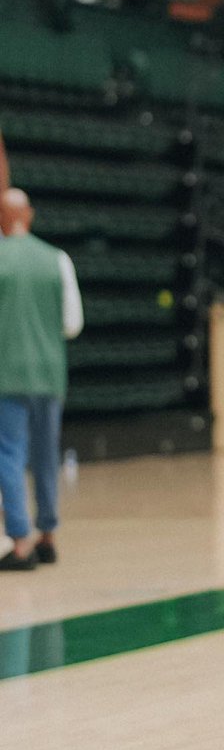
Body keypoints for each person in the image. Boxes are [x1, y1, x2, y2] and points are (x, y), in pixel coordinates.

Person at [0, 189, 84, 570]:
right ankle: (48, 536)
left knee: (9, 455)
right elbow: (71, 324)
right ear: (28, 215)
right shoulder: (58, 259)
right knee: (46, 456)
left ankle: (20, 543)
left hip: (6, 376)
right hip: (49, 376)